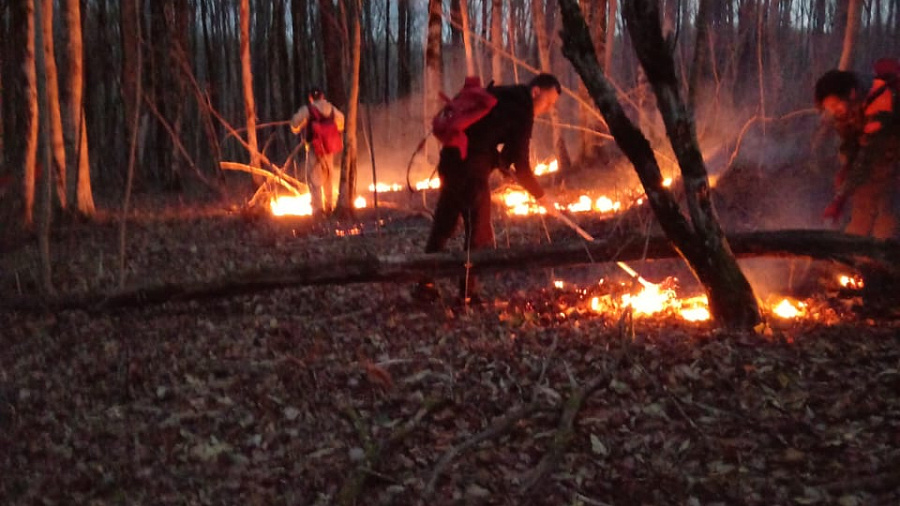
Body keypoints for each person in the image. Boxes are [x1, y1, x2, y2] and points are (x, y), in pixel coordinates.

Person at [419, 73, 562, 304]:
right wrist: (542, 197)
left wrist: (500, 164)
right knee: (478, 232)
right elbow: (522, 164)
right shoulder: (523, 109)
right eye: (548, 102)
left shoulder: (501, 93)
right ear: (535, 92)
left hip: (451, 161)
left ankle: (424, 282)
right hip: (471, 171)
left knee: (444, 224)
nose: (548, 108)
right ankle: (467, 294)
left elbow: (496, 143)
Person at [815, 66, 899, 240]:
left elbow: (869, 155)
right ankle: (853, 256)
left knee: (886, 213)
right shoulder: (849, 111)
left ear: (852, 93)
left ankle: (885, 256)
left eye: (835, 104)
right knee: (861, 208)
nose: (834, 110)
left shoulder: (882, 103)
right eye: (829, 107)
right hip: (877, 165)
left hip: (891, 166)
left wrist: (840, 198)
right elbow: (852, 147)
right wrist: (845, 170)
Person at [290, 87, 345, 217]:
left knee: (313, 179)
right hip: (329, 148)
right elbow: (341, 121)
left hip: (314, 148)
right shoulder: (331, 109)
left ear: (310, 97)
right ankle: (329, 206)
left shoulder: (308, 110)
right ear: (322, 96)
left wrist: (299, 127)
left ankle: (317, 210)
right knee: (328, 177)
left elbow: (294, 124)